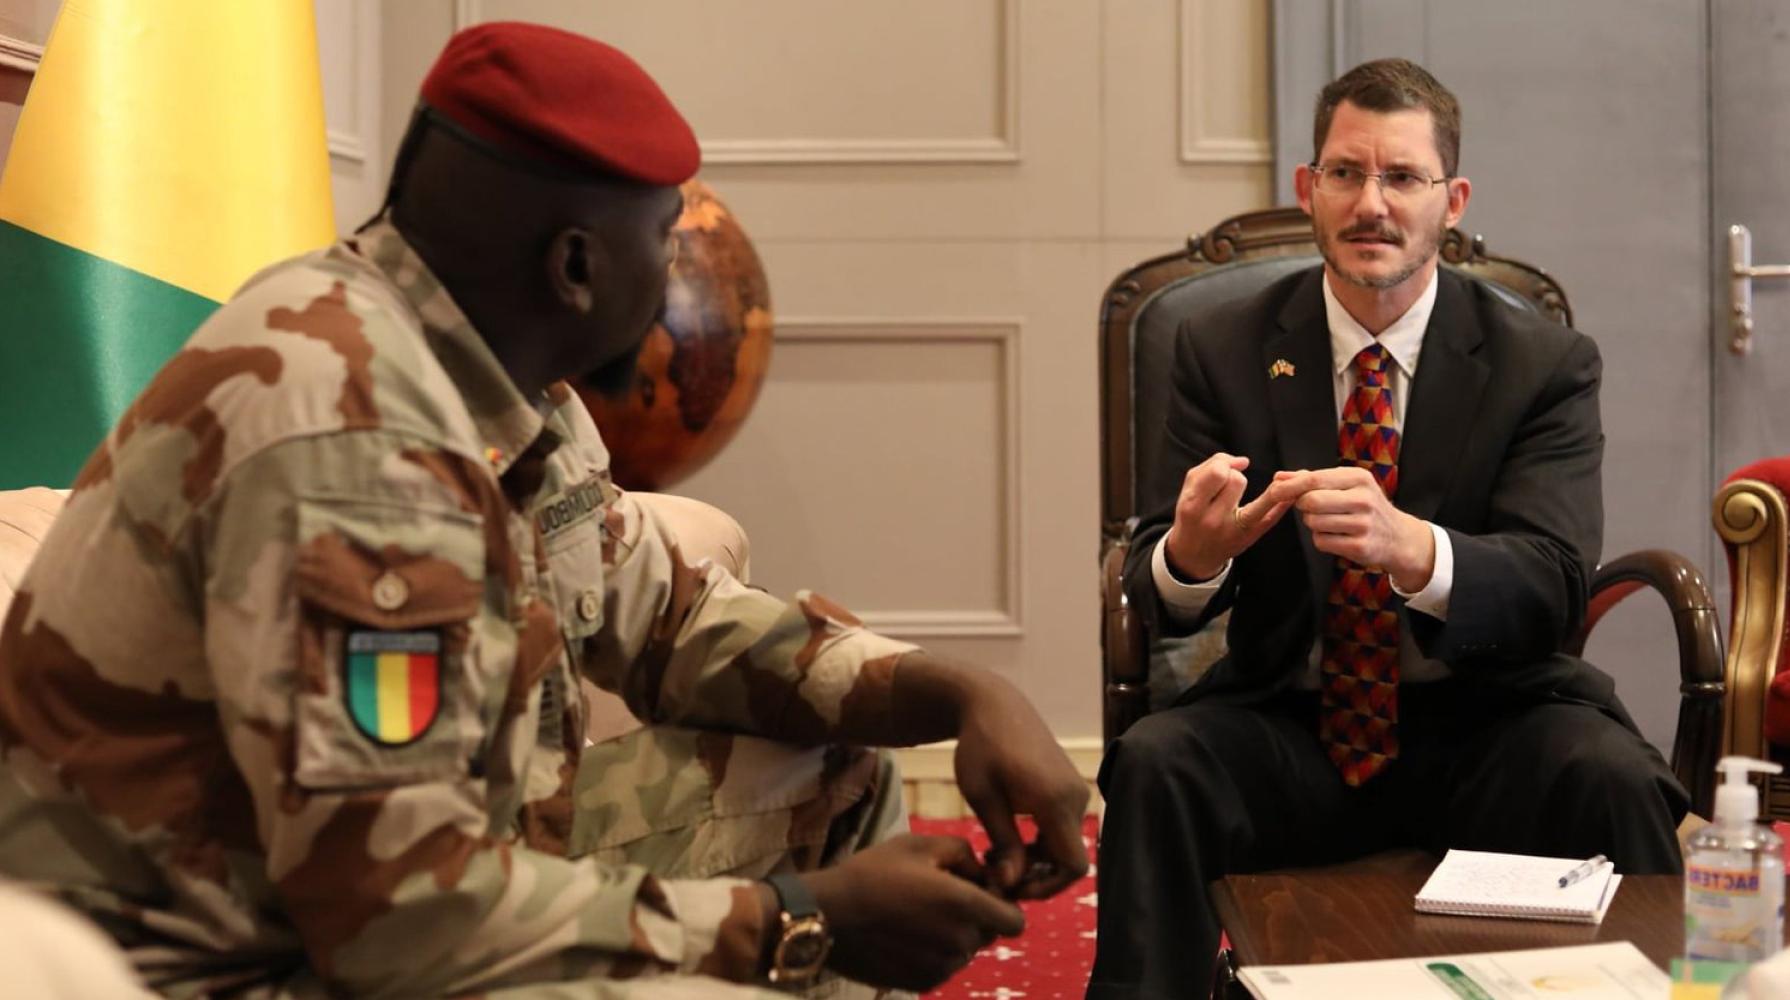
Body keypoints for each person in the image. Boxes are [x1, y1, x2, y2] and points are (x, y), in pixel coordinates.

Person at [0, 22, 1088, 999]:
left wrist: (955, 690)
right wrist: (800, 922)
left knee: (835, 778)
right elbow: (395, 920)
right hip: (209, 960)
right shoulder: (354, 446)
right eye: (662, 239)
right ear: (574, 264)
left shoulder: (491, 373)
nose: (671, 270)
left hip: (369, 882)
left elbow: (672, 622)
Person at [1086, 58, 1687, 999]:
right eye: (1346, 174)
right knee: (1160, 766)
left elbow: (1555, 576)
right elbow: (1165, 570)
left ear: (1451, 200)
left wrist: (1414, 550)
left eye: (1402, 177)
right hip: (1295, 719)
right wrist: (1193, 560)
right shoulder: (1224, 348)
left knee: (1614, 778)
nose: (1372, 204)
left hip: (1486, 720)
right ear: (1308, 190)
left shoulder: (1543, 362)